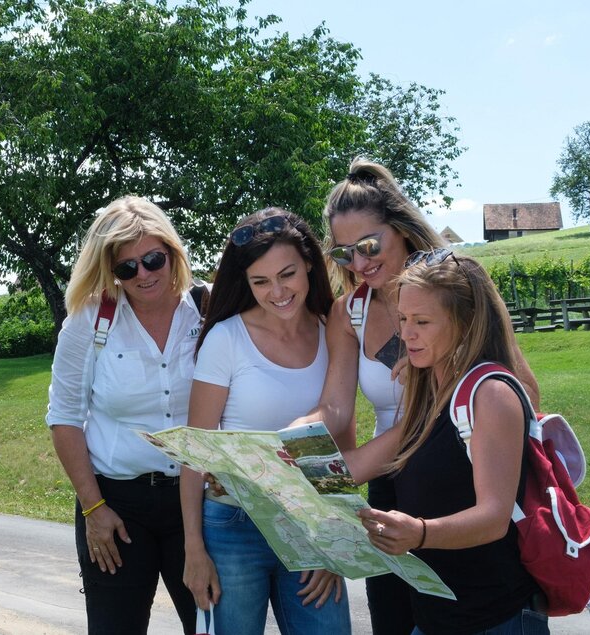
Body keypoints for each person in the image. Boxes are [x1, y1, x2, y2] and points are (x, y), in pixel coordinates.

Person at [298, 159, 540, 635]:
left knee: (477, 604)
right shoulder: (350, 311)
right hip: (393, 471)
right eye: (345, 254)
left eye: (369, 245)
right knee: (399, 615)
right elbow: (336, 408)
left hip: (457, 464)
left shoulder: (457, 289)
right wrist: (287, 444)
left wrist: (450, 401)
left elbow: (520, 388)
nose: (361, 263)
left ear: (402, 229)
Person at [341, 249, 549, 635]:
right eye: (403, 319)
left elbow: (493, 518)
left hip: (493, 620)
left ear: (467, 323)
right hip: (436, 620)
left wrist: (419, 532)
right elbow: (352, 470)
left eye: (422, 321)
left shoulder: (492, 394)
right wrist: (261, 471)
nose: (406, 334)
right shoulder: (430, 401)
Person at [182, 208, 352, 635]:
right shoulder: (226, 339)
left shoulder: (333, 330)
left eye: (287, 274)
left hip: (312, 524)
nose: (277, 291)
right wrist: (194, 550)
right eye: (260, 281)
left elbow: (342, 441)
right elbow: (194, 453)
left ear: (310, 264)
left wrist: (337, 537)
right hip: (232, 528)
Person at [46, 196, 201, 635]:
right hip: (115, 505)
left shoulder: (207, 309)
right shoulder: (91, 318)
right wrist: (93, 507)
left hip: (196, 500)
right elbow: (64, 417)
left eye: (153, 259)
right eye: (126, 267)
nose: (143, 274)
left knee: (213, 626)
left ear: (173, 252)